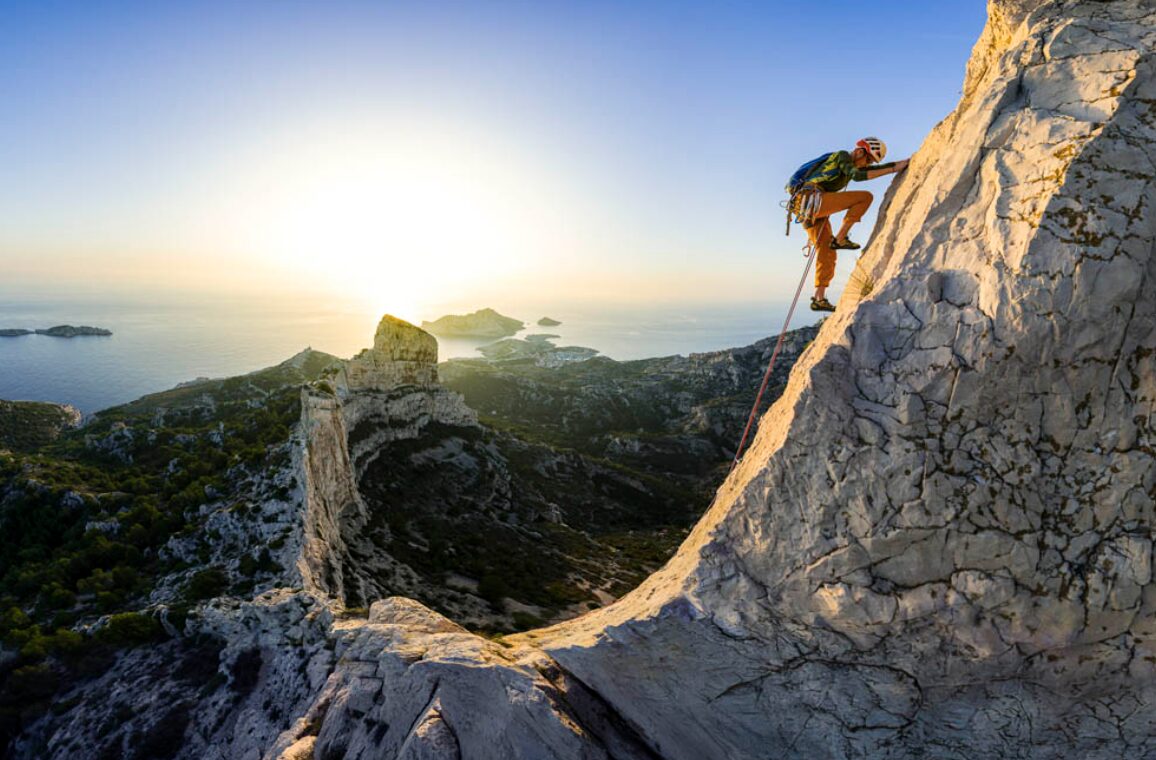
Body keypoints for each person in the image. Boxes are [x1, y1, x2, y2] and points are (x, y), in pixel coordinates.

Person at [790, 137, 909, 311]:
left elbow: (873, 169)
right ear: (860, 152)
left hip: (807, 206)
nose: (866, 164)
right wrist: (892, 169)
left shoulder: (852, 162)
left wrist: (901, 164)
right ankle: (841, 237)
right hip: (811, 199)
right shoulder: (843, 156)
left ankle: (819, 298)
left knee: (826, 250)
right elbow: (857, 176)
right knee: (865, 197)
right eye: (868, 159)